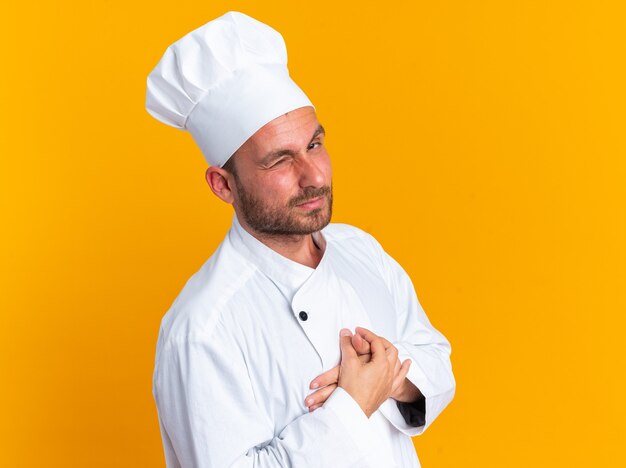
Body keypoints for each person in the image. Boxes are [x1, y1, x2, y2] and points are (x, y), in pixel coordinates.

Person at [146, 11, 455, 468]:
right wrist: (352, 406)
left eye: (314, 144)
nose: (313, 176)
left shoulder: (359, 250)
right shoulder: (202, 329)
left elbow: (436, 358)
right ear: (223, 185)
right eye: (279, 161)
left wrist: (389, 378)